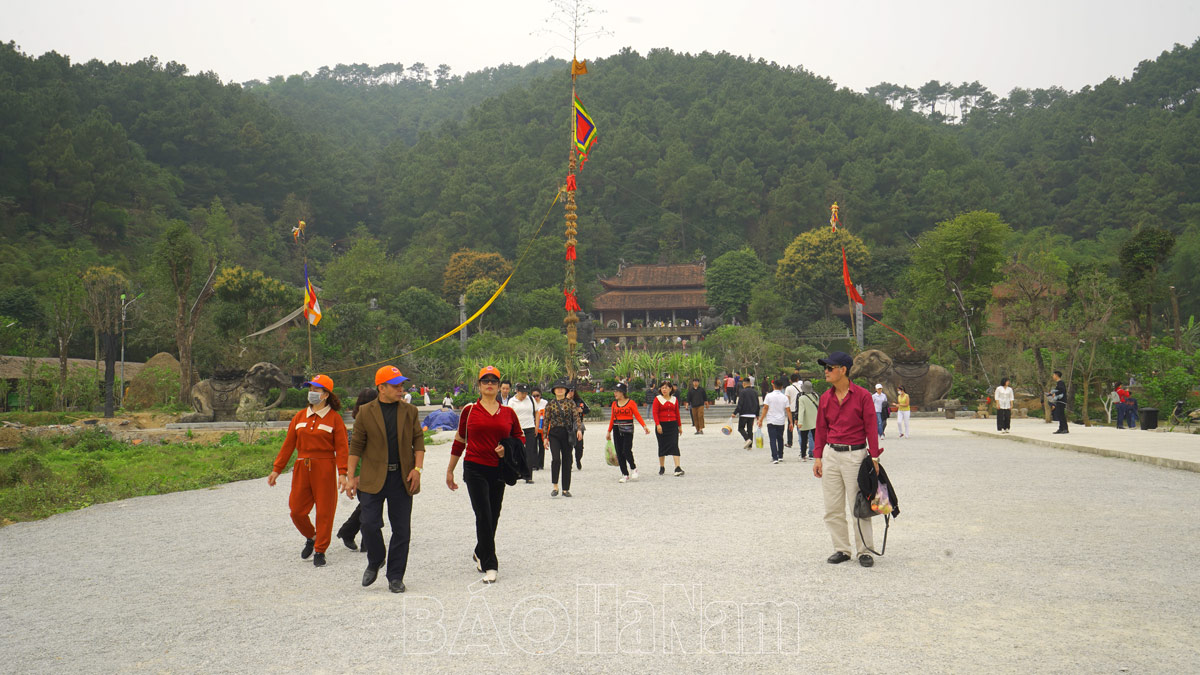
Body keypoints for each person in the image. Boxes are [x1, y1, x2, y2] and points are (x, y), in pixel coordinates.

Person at [343, 365, 425, 593]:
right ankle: (376, 558)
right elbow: (356, 446)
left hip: (401, 478)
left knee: (401, 530)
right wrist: (351, 476)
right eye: (396, 385)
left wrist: (417, 469)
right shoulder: (366, 412)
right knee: (369, 523)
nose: (401, 389)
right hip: (372, 477)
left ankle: (395, 576)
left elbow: (418, 441)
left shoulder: (410, 411)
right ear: (382, 387)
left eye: (401, 385)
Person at [446, 365, 524, 584]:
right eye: (485, 381)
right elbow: (460, 440)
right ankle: (490, 564)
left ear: (499, 386)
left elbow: (519, 438)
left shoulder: (508, 412)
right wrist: (450, 470)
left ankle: (481, 550)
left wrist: (506, 449)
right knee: (483, 515)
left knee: (494, 513)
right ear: (479, 385)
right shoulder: (469, 411)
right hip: (475, 467)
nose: (489, 384)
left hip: (498, 469)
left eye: (493, 381)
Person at [268, 374, 348, 568]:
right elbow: (288, 445)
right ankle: (312, 537)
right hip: (302, 466)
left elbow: (343, 448)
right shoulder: (300, 416)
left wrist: (343, 473)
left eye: (316, 389)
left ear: (326, 394)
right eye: (310, 389)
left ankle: (320, 550)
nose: (311, 392)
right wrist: (277, 469)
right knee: (296, 510)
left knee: (325, 511)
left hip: (325, 467)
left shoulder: (334, 419)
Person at [812, 351, 882, 568]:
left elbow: (871, 427)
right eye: (825, 368)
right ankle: (841, 549)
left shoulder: (862, 396)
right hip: (831, 454)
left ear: (843, 370)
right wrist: (817, 457)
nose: (826, 372)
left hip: (856, 455)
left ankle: (865, 550)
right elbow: (821, 429)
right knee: (832, 507)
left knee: (859, 504)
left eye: (830, 368)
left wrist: (875, 457)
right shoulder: (825, 398)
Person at [335, 388, 379, 551]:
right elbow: (355, 452)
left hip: (373, 468)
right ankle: (363, 539)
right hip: (364, 471)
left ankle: (349, 532)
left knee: (369, 505)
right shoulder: (363, 421)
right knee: (370, 505)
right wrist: (355, 476)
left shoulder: (368, 418)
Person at [544, 380, 583, 497]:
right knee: (556, 459)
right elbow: (546, 421)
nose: (560, 390)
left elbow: (576, 417)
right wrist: (545, 437)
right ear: (554, 391)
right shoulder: (550, 404)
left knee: (567, 460)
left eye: (562, 388)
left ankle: (565, 488)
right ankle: (555, 486)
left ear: (565, 390)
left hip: (567, 433)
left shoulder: (571, 403)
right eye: (557, 388)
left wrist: (579, 430)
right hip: (554, 433)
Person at [606, 383, 649, 482]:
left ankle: (633, 468)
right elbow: (612, 418)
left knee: (626, 450)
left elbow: (637, 415)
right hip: (617, 429)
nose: (615, 393)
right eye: (615, 391)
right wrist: (609, 431)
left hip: (628, 429)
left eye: (617, 391)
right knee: (619, 452)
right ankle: (624, 473)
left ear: (623, 392)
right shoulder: (614, 404)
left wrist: (644, 426)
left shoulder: (631, 403)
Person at [652, 381, 684, 476]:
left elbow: (677, 413)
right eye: (662, 388)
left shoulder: (674, 399)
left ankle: (677, 467)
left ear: (670, 389)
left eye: (666, 388)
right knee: (662, 445)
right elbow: (655, 413)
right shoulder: (658, 399)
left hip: (673, 425)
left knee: (674, 444)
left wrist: (680, 426)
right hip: (662, 425)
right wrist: (658, 424)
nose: (664, 390)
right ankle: (662, 466)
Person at [508, 383, 539, 483]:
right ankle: (516, 472)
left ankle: (528, 476)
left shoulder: (530, 399)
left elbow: (537, 412)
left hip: (530, 427)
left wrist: (537, 426)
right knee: (517, 451)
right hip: (517, 430)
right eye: (522, 393)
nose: (524, 395)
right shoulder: (512, 401)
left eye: (525, 393)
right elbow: (509, 416)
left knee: (529, 452)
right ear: (517, 391)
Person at [758, 377, 792, 464]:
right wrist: (791, 422)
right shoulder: (784, 397)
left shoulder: (768, 396)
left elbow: (765, 408)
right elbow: (788, 410)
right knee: (780, 438)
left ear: (773, 386)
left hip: (771, 420)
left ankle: (775, 457)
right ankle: (780, 455)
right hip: (781, 421)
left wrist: (761, 419)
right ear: (781, 387)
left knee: (772, 439)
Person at [794, 380, 819, 461]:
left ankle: (803, 455)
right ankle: (817, 454)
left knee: (804, 439)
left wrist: (799, 422)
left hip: (805, 421)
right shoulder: (816, 396)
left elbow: (801, 411)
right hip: (815, 421)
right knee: (816, 439)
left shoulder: (802, 398)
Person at [566, 388, 589, 470]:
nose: (570, 393)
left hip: (578, 424)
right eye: (568, 391)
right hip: (567, 425)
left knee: (579, 447)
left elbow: (587, 410)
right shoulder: (563, 401)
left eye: (572, 391)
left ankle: (578, 459)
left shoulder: (579, 400)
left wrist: (581, 410)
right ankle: (569, 463)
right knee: (568, 446)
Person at [733, 379, 760, 450]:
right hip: (752, 414)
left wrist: (735, 412)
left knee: (740, 428)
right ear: (750, 383)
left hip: (744, 413)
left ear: (744, 384)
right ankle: (750, 446)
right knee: (750, 429)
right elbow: (757, 404)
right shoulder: (755, 392)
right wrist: (757, 414)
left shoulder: (742, 392)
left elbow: (740, 404)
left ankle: (747, 439)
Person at [784, 374, 802, 448]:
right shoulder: (801, 387)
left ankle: (789, 442)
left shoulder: (788, 388)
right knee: (800, 426)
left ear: (790, 380)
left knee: (790, 425)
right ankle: (803, 441)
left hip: (791, 409)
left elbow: (787, 399)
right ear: (798, 379)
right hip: (800, 408)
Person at [531, 387, 547, 471]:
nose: (536, 398)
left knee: (541, 445)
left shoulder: (544, 403)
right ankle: (534, 464)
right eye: (534, 396)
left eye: (537, 395)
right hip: (533, 426)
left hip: (542, 426)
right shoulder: (530, 403)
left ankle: (541, 463)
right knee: (533, 445)